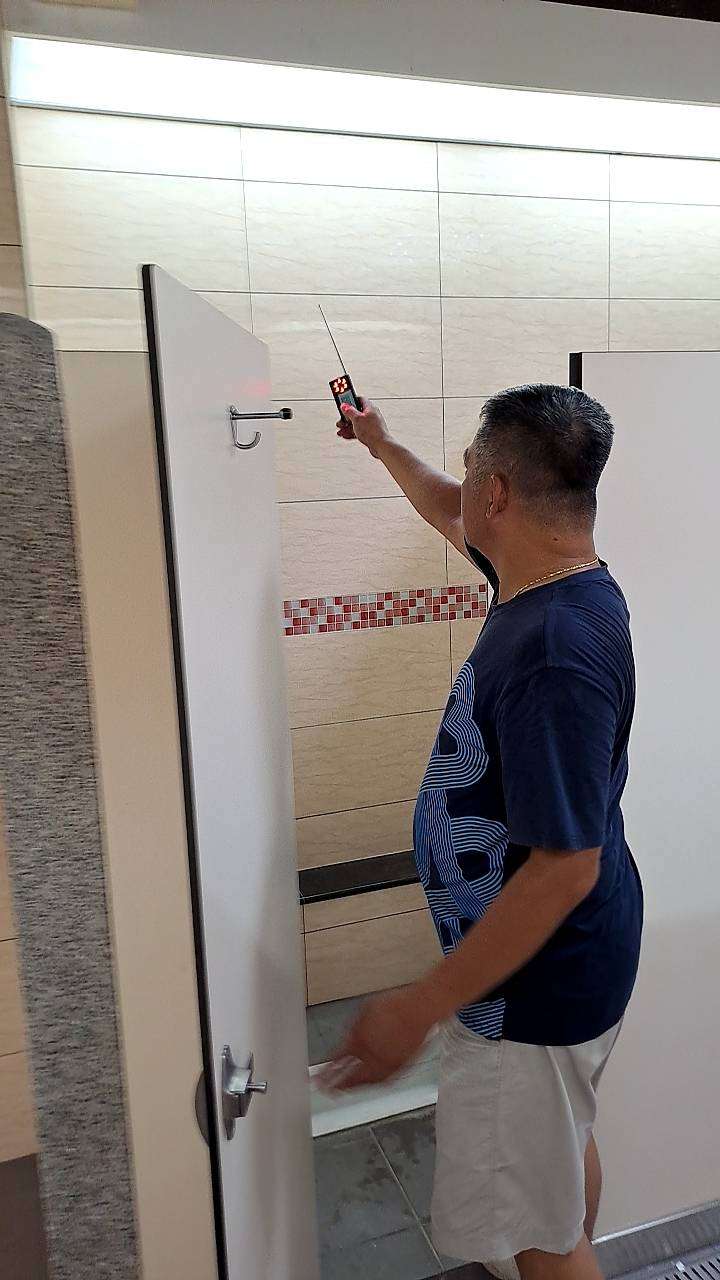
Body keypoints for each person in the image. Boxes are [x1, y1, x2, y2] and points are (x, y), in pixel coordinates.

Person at [320, 385, 644, 1280]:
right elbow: (442, 505)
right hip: (572, 966)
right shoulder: (548, 578)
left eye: (471, 472)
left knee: (541, 1240)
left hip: (534, 989)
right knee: (557, 1160)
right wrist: (381, 444)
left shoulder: (554, 648)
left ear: (497, 493)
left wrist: (418, 1006)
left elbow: (564, 868)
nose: (460, 488)